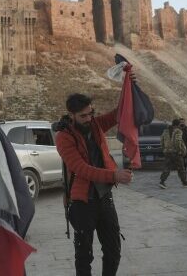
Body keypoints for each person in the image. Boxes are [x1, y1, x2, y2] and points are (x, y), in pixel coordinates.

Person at [56, 93, 133, 276]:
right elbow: (82, 169)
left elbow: (120, 112)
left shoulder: (95, 124)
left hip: (105, 198)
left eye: (91, 113)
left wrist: (129, 84)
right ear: (71, 114)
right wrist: (114, 175)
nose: (89, 118)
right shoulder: (63, 137)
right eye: (83, 115)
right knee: (84, 256)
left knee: (113, 250)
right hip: (83, 202)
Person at [159, 119, 187, 189]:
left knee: (167, 168)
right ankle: (184, 182)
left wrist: (164, 149)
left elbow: (161, 141)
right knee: (181, 168)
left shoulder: (165, 131)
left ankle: (162, 182)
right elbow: (177, 142)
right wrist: (180, 150)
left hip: (167, 152)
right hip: (176, 153)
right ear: (178, 125)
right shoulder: (178, 131)